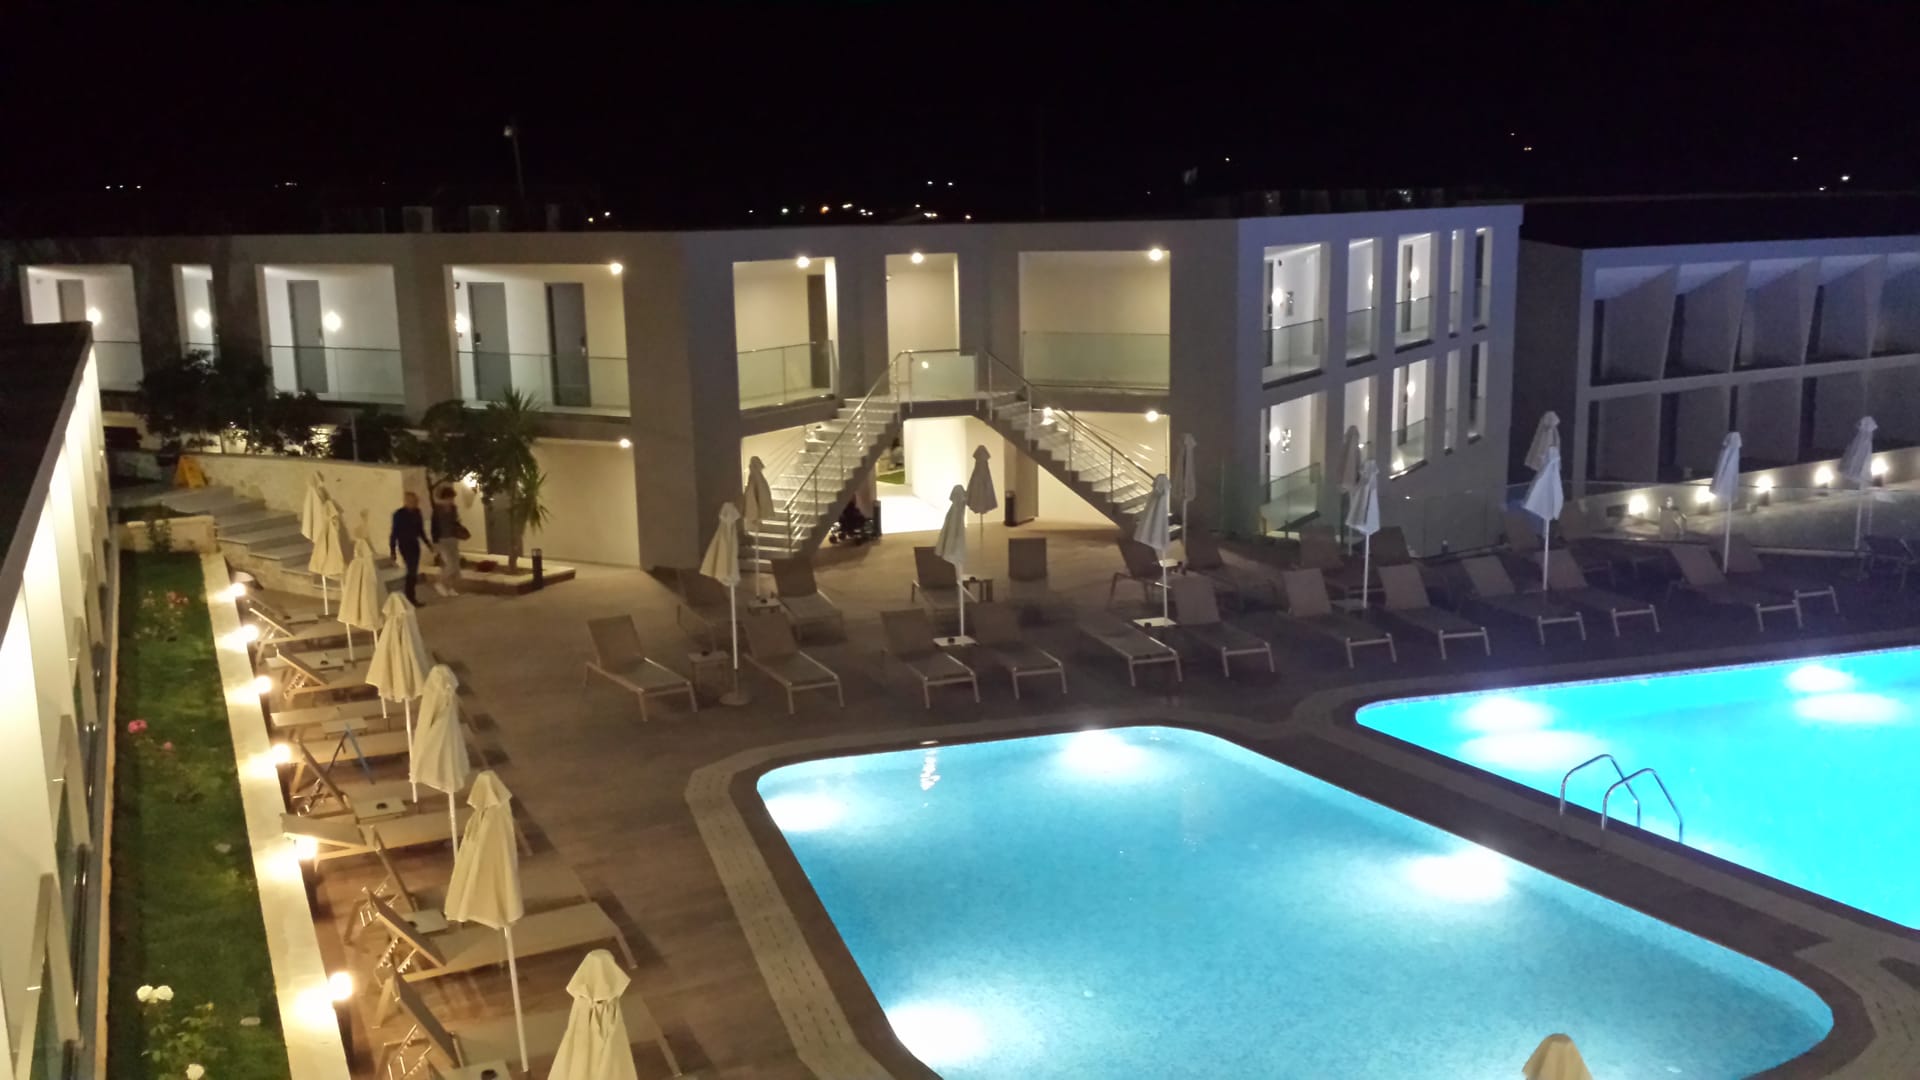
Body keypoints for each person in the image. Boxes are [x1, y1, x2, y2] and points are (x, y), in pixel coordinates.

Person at [389, 491, 427, 605]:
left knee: (413, 571)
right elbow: (394, 533)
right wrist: (392, 551)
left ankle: (410, 596)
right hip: (405, 545)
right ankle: (410, 597)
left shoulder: (417, 512)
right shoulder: (399, 514)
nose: (414, 503)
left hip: (414, 544)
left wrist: (428, 544)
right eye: (411, 501)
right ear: (406, 501)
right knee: (411, 570)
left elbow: (420, 530)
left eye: (415, 501)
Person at [430, 486, 467, 596]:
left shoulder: (454, 508)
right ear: (444, 498)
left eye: (452, 498)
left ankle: (450, 587)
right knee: (449, 564)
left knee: (455, 565)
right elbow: (434, 526)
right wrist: (435, 542)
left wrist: (459, 527)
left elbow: (455, 522)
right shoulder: (437, 510)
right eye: (449, 498)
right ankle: (439, 583)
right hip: (442, 539)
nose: (451, 500)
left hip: (453, 538)